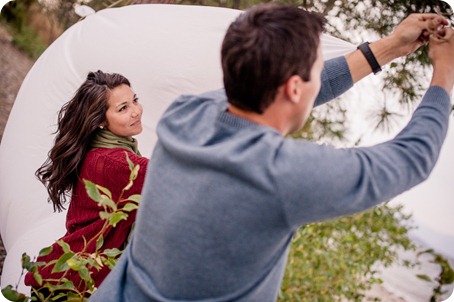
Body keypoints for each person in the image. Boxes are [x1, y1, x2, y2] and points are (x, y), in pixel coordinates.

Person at [90, 3, 453, 302]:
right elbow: (412, 157)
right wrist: (445, 72)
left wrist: (391, 45)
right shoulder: (281, 174)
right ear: (295, 88)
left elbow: (311, 83)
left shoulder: (185, 114)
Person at [24, 71, 149, 297]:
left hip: (64, 272)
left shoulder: (97, 151)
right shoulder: (117, 163)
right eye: (123, 108)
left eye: (135, 100)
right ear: (101, 120)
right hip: (75, 285)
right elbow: (173, 177)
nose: (136, 110)